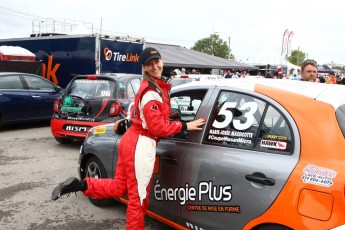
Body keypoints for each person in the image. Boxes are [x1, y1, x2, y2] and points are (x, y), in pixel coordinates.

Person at [51, 47, 206, 229]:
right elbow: (157, 127)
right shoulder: (151, 92)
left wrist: (170, 117)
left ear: (162, 61)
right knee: (138, 200)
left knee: (120, 188)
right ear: (145, 68)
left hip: (131, 141)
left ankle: (82, 185)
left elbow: (144, 117)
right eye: (151, 64)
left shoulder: (150, 87)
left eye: (157, 62)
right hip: (140, 146)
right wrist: (185, 125)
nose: (155, 67)